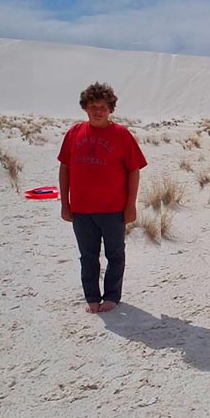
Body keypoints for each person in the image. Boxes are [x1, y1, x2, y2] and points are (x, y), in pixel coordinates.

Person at [58, 82, 147, 314]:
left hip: (113, 209)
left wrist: (131, 205)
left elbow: (133, 170)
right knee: (88, 256)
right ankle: (91, 296)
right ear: (85, 108)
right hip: (81, 209)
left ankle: (112, 296)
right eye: (93, 106)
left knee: (115, 254)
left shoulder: (122, 135)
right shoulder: (74, 133)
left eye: (103, 107)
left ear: (110, 109)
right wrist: (64, 204)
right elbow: (65, 168)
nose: (98, 111)